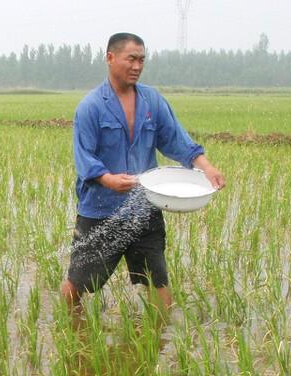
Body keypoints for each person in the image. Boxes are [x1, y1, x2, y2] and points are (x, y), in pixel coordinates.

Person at [61, 33, 225, 313]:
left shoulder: (151, 100)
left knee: (157, 280)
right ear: (110, 58)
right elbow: (84, 157)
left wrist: (207, 167)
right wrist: (108, 179)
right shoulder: (91, 107)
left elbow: (176, 139)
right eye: (131, 59)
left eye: (141, 60)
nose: (137, 66)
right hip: (101, 210)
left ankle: (156, 342)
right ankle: (69, 328)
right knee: (79, 282)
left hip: (144, 207)